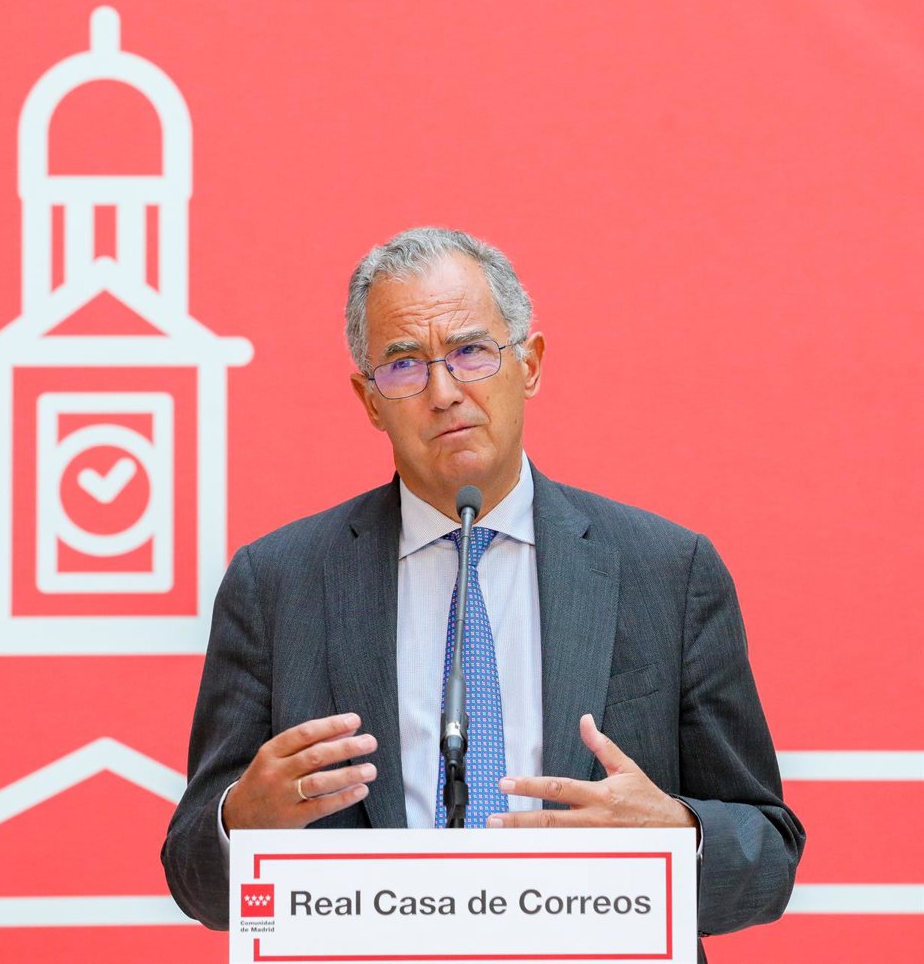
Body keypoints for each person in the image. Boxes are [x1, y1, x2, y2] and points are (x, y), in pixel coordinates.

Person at [161, 227, 804, 957]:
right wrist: (241, 821)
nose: (443, 393)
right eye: (404, 365)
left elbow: (767, 852)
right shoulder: (277, 583)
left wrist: (677, 836)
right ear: (369, 400)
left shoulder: (667, 571)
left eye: (471, 351)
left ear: (529, 364)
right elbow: (194, 875)